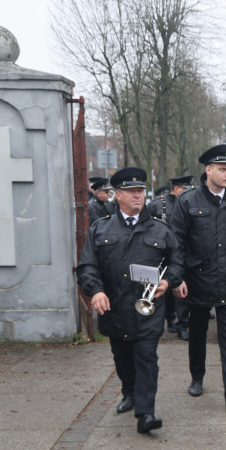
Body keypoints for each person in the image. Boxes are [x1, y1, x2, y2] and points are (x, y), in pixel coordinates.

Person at [76, 167, 181, 433]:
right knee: (122, 358)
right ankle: (129, 392)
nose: (138, 195)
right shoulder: (101, 228)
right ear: (118, 195)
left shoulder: (160, 229)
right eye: (131, 191)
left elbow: (177, 261)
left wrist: (168, 281)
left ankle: (146, 414)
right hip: (115, 307)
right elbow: (88, 266)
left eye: (140, 191)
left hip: (148, 308)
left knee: (146, 356)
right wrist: (96, 291)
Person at [169, 144, 226, 417]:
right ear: (208, 170)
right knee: (197, 334)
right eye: (222, 169)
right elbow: (176, 241)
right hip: (198, 279)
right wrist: (177, 278)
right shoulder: (188, 200)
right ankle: (197, 377)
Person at [154, 175, 194, 337]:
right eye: (184, 189)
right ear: (176, 189)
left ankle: (182, 324)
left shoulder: (189, 202)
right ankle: (169, 319)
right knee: (166, 291)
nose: (187, 192)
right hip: (163, 253)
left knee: (182, 290)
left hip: (183, 252)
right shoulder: (158, 204)